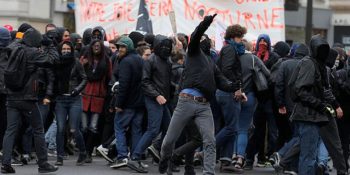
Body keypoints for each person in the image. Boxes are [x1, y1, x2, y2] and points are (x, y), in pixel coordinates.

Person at [159, 14, 242, 175]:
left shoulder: (212, 63)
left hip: (204, 106)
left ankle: (208, 172)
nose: (209, 40)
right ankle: (164, 158)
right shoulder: (193, 52)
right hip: (186, 101)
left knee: (210, 141)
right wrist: (206, 22)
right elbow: (197, 34)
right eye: (206, 39)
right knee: (169, 140)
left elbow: (222, 82)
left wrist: (233, 86)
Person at [1, 28, 58, 174]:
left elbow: (15, 43)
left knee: (10, 130)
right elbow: (53, 60)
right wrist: (49, 44)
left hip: (11, 97)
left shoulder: (13, 48)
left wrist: (23, 38)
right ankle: (43, 164)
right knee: (38, 129)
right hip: (28, 98)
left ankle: (6, 163)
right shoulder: (32, 53)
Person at [290, 35, 336, 175]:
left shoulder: (316, 64)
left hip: (310, 115)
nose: (323, 53)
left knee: (309, 154)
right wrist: (319, 105)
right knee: (308, 156)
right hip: (308, 115)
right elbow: (300, 90)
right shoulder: (310, 63)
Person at [127, 34, 173, 173]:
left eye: (167, 46)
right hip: (154, 99)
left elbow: (166, 81)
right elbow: (145, 82)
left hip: (163, 99)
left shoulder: (168, 61)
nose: (165, 48)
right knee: (153, 129)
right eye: (163, 45)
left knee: (169, 129)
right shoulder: (151, 60)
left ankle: (163, 158)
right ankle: (134, 158)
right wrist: (157, 95)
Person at [110, 36, 145, 169]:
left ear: (129, 47)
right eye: (119, 47)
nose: (120, 49)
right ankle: (135, 158)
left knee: (119, 127)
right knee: (136, 130)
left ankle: (122, 156)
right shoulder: (140, 60)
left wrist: (119, 104)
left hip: (128, 103)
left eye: (123, 47)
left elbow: (123, 85)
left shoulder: (125, 62)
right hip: (140, 103)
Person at [215, 24, 245, 171]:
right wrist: (237, 87)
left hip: (225, 92)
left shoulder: (229, 48)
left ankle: (226, 161)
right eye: (240, 37)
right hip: (227, 93)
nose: (242, 41)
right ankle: (206, 150)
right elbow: (227, 69)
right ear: (234, 37)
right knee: (232, 127)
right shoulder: (230, 49)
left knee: (230, 127)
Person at [54, 41, 88, 166]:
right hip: (60, 100)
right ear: (60, 50)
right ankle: (59, 156)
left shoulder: (76, 62)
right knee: (60, 128)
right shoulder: (56, 62)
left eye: (68, 48)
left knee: (74, 129)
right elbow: (53, 79)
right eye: (64, 48)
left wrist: (77, 90)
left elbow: (84, 78)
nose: (66, 51)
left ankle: (83, 152)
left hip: (74, 99)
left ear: (72, 50)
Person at [80, 39, 112, 163]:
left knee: (93, 127)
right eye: (94, 45)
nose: (96, 47)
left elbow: (109, 78)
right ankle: (83, 151)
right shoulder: (85, 59)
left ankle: (88, 152)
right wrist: (83, 65)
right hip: (84, 95)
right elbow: (77, 74)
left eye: (99, 45)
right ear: (91, 47)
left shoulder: (106, 61)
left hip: (98, 97)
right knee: (83, 127)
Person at [0, 27, 11, 153]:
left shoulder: (10, 52)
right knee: (5, 122)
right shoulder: (11, 52)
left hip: (6, 91)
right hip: (7, 92)